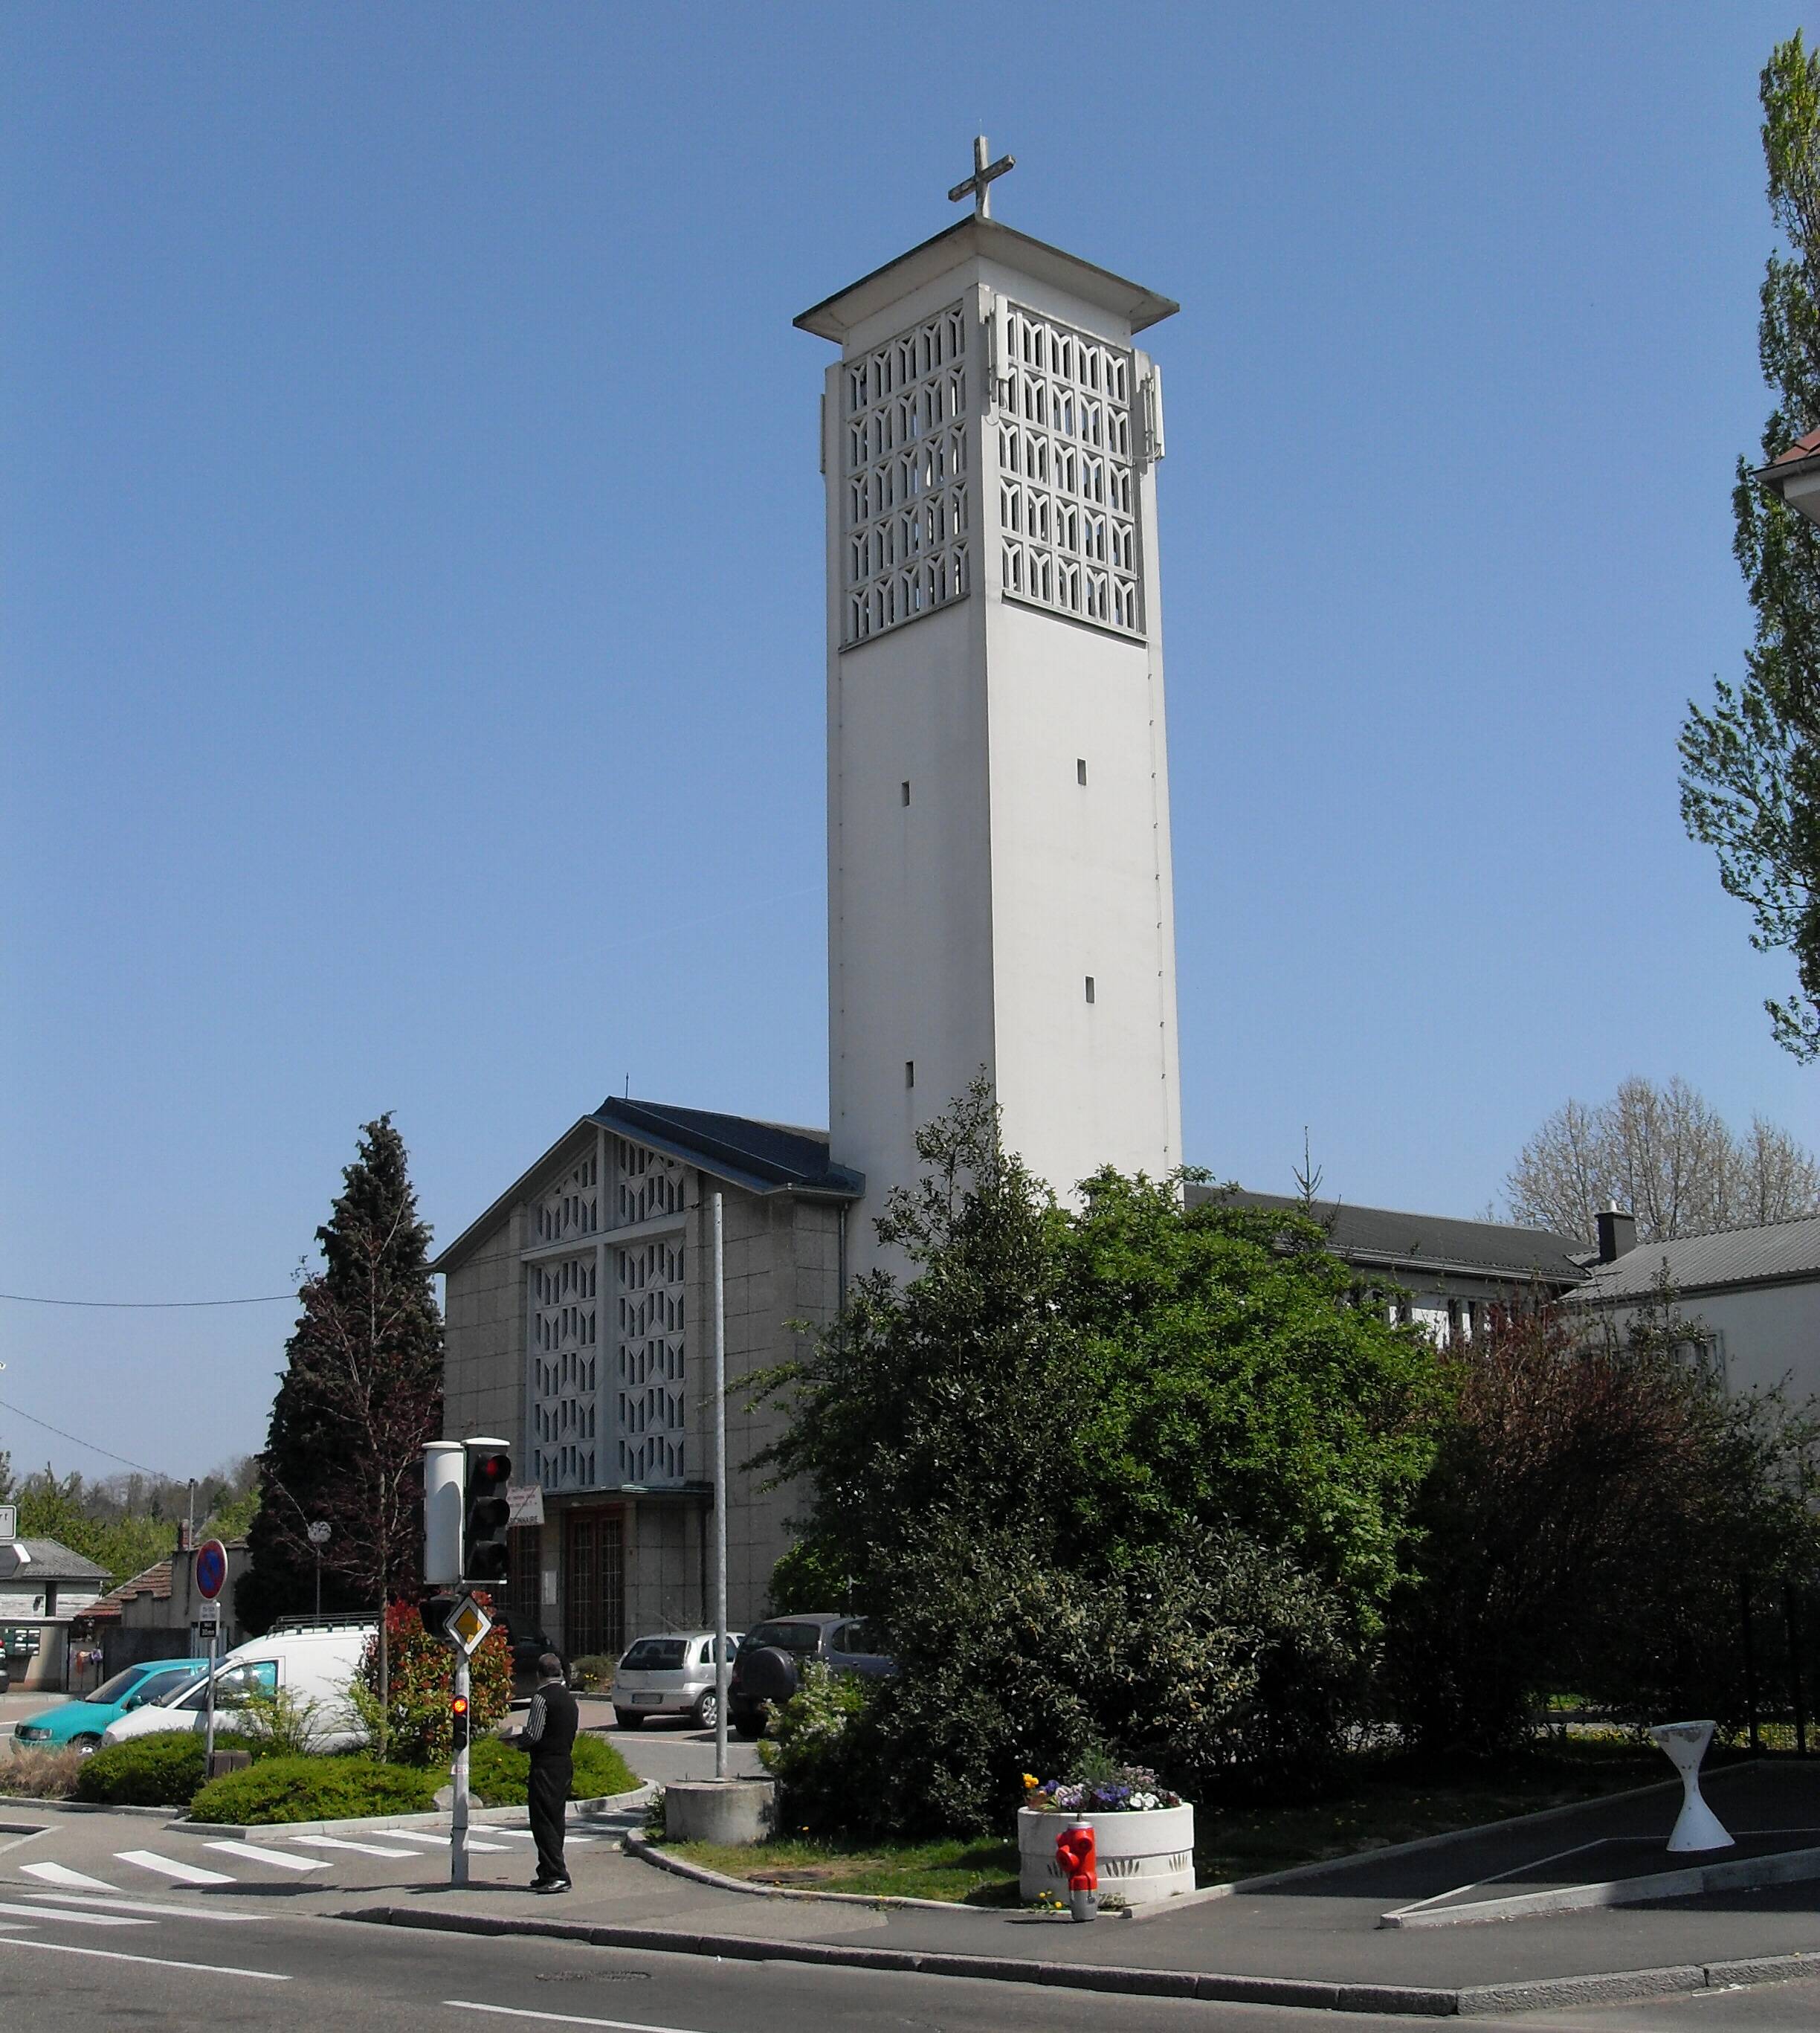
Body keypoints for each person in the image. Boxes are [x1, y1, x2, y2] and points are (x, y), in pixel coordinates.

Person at [506, 1651, 577, 1892]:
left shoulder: (541, 1698)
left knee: (542, 1820)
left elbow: (534, 1734)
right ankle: (547, 1871)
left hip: (545, 1765)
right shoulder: (569, 1698)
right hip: (564, 1763)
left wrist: (515, 1741)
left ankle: (557, 1874)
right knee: (556, 1819)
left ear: (539, 1675)